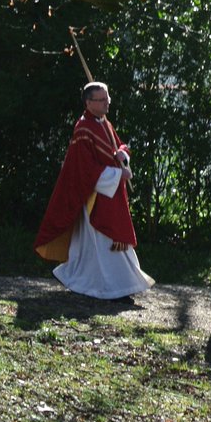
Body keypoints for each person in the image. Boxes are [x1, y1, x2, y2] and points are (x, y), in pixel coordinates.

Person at [34, 82, 154, 301]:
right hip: (96, 197)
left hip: (112, 194)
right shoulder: (83, 129)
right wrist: (118, 175)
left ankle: (106, 284)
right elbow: (84, 169)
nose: (107, 102)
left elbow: (120, 146)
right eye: (102, 99)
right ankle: (114, 288)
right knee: (102, 242)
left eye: (107, 98)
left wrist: (122, 155)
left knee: (103, 244)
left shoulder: (103, 123)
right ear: (89, 103)